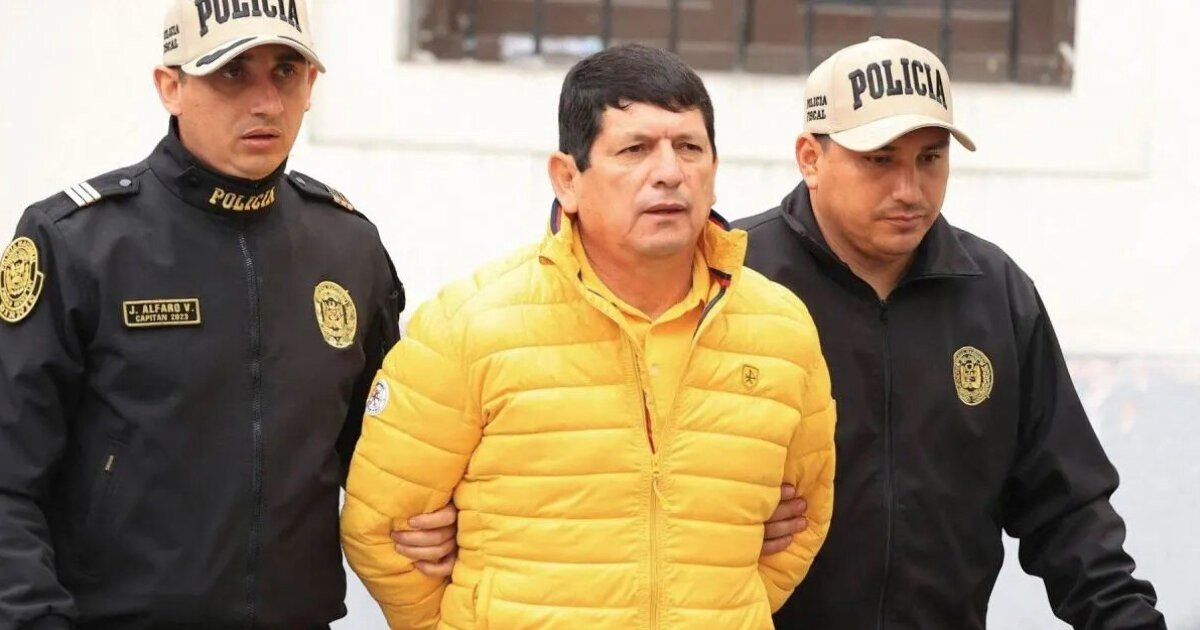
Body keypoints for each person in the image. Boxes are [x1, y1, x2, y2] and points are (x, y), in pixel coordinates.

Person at [340, 43, 837, 629]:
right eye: (634, 149)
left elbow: (803, 521)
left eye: (689, 147)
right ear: (567, 179)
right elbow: (383, 529)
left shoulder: (779, 330)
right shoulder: (470, 324)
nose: (670, 173)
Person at [733, 36, 1165, 629]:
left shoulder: (995, 293)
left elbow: (1066, 508)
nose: (909, 190)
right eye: (879, 160)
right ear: (810, 157)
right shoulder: (733, 280)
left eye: (930, 159)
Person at [0, 2, 406, 627]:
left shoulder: (349, 248)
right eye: (231, 73)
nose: (266, 102)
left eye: (285, 71)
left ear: (311, 85)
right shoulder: (78, 243)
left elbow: (387, 463)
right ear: (170, 86)